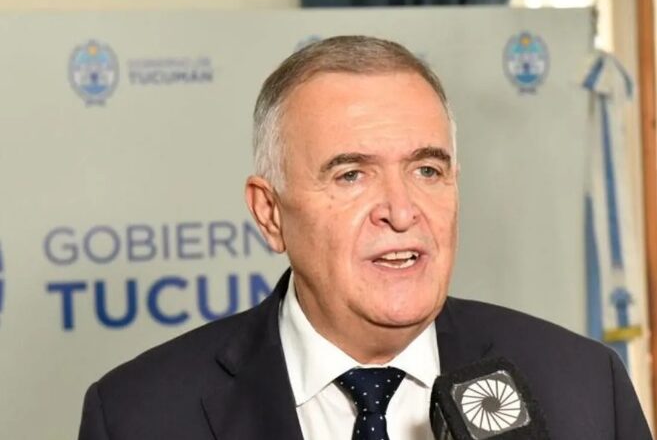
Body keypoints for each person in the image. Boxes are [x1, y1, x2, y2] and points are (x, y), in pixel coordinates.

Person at [78, 36, 652, 440]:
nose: (401, 211)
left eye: (427, 170)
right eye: (351, 175)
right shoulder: (138, 415)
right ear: (270, 213)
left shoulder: (583, 386)